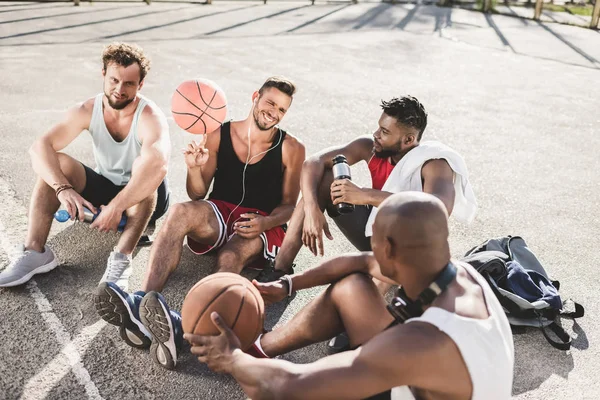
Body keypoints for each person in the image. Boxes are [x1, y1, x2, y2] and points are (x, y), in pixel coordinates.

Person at [186, 192, 514, 400]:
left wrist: (231, 359)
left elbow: (287, 388)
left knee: (280, 389)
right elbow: (357, 263)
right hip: (436, 379)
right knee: (351, 286)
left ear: (387, 248)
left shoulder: (419, 342)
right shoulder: (460, 273)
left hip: (421, 368)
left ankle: (239, 352)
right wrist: (287, 285)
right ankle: (259, 348)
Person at [94, 77, 305, 370]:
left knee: (230, 254)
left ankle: (185, 327)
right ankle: (142, 307)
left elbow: (289, 206)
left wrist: (265, 221)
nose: (274, 112)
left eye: (282, 109)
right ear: (255, 96)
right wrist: (194, 169)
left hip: (259, 222)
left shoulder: (291, 148)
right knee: (180, 210)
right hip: (220, 210)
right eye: (270, 102)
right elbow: (197, 193)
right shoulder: (219, 133)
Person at [0, 42, 170, 289]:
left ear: (140, 85)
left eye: (129, 84)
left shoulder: (150, 117)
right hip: (107, 185)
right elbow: (39, 147)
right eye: (114, 80)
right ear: (103, 75)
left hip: (147, 196)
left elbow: (158, 166)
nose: (119, 90)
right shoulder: (88, 109)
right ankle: (36, 251)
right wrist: (63, 189)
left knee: (145, 171)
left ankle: (122, 258)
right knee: (55, 163)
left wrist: (116, 207)